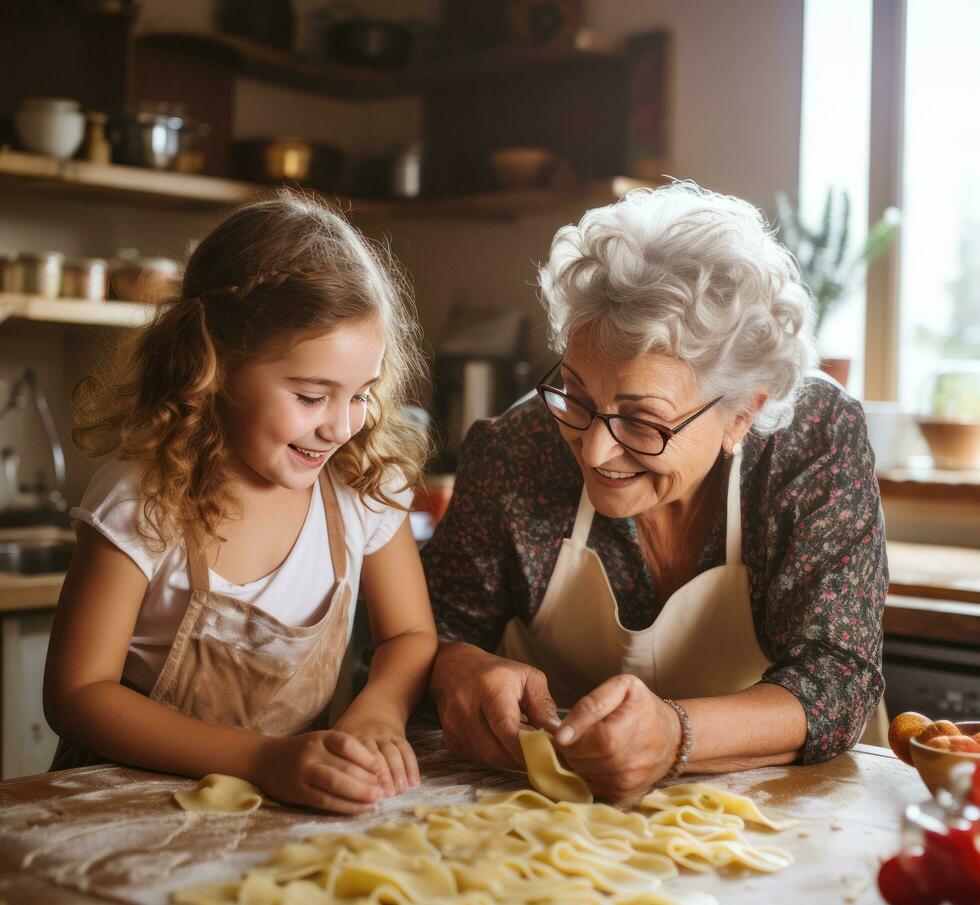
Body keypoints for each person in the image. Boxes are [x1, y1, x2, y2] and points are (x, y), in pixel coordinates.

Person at [422, 181, 888, 799]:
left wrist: (676, 734)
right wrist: (460, 670)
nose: (594, 449)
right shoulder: (518, 450)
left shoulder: (811, 442)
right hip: (543, 817)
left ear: (742, 414)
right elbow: (426, 632)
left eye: (641, 422)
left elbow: (836, 677)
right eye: (578, 397)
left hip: (773, 821)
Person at [43, 191, 437, 815]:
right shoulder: (146, 498)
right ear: (215, 366)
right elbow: (76, 694)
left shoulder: (359, 488)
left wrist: (379, 711)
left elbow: (411, 634)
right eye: (311, 397)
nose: (342, 427)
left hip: (274, 812)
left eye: (362, 393)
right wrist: (260, 759)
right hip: (120, 806)